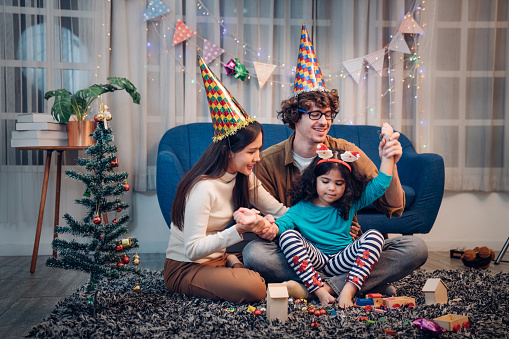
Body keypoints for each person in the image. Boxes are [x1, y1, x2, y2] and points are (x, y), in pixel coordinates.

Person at [242, 23, 428, 298]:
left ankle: (321, 288)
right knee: (254, 253)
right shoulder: (268, 162)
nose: (325, 121)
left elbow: (391, 206)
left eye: (328, 114)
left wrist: (391, 161)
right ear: (295, 117)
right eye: (315, 114)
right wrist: (259, 223)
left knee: (415, 249)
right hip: (299, 253)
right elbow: (271, 226)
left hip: (346, 252)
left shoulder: (346, 154)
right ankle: (361, 284)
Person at [163, 56, 287, 304]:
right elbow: (193, 249)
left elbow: (279, 210)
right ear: (228, 151)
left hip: (220, 260)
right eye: (252, 152)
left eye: (259, 150)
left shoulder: (245, 178)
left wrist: (274, 224)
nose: (258, 158)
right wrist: (239, 230)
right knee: (255, 289)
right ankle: (236, 268)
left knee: (261, 267)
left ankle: (233, 265)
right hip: (185, 267)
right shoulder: (203, 188)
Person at [239, 124, 395, 308]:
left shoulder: (350, 202)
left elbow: (380, 184)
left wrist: (387, 156)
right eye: (326, 181)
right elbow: (278, 227)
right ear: (314, 181)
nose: (331, 188)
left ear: (347, 186)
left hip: (343, 259)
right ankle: (320, 289)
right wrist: (262, 224)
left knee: (378, 236)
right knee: (281, 239)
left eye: (339, 183)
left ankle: (348, 290)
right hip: (314, 259)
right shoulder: (300, 208)